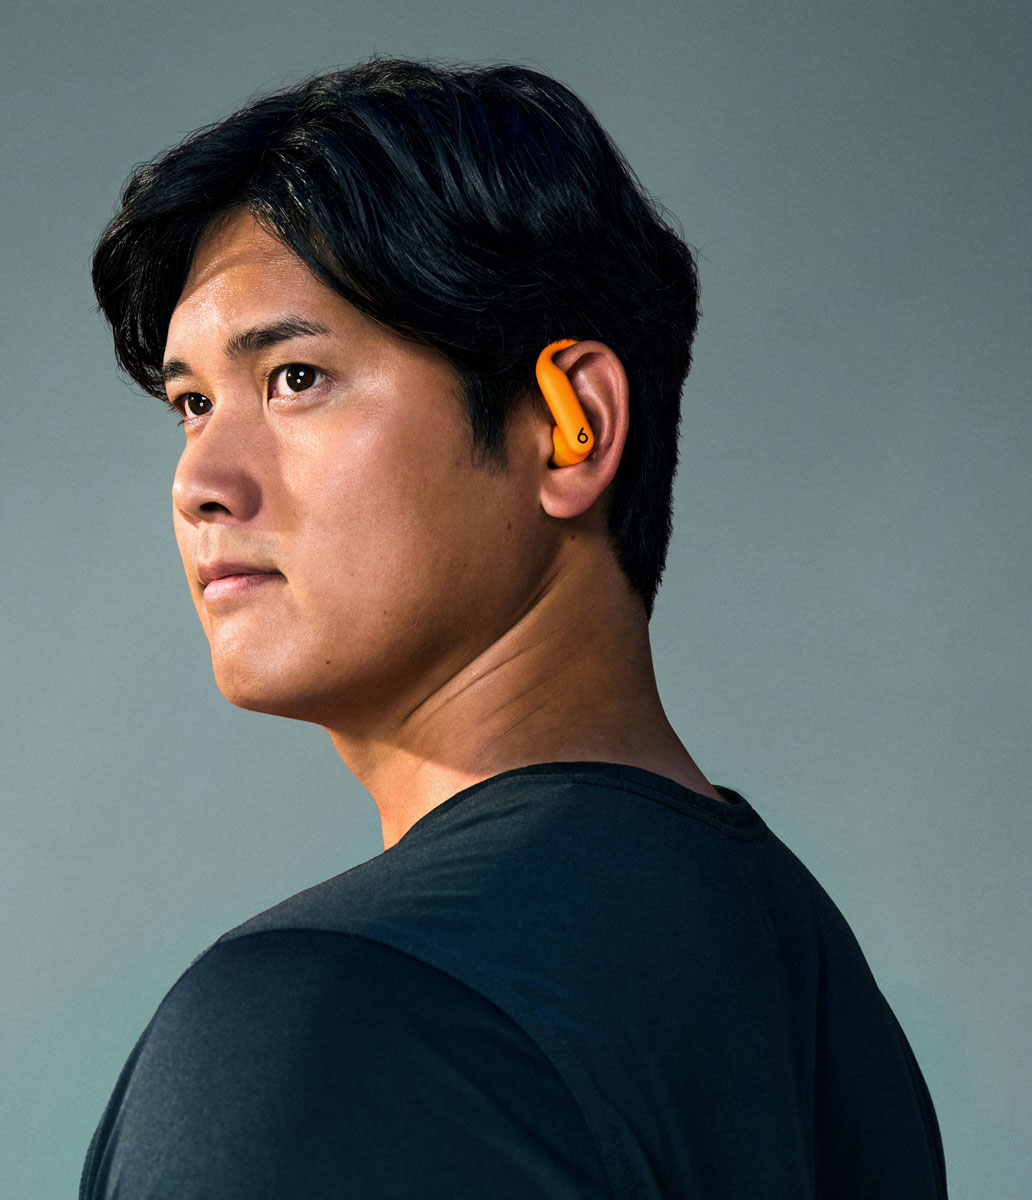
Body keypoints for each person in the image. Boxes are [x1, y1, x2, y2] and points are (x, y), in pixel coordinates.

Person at [81, 58, 947, 1199]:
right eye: (193, 404)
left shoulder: (329, 1016)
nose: (202, 480)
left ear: (568, 423)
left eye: (296, 378)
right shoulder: (819, 1001)